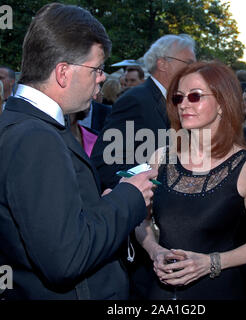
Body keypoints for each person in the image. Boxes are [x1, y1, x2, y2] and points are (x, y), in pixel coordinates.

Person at [0, 3, 157, 300]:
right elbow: (65, 258)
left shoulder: (24, 123)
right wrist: (130, 196)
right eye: (96, 68)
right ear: (63, 73)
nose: (101, 77)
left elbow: (50, 221)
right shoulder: (35, 137)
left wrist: (99, 207)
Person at [135, 61, 246, 300]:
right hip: (161, 291)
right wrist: (154, 250)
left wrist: (211, 262)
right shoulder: (161, 158)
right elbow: (141, 222)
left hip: (221, 290)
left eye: (195, 96)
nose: (184, 105)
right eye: (179, 98)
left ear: (222, 103)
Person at [91, 34, 196, 190]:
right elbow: (105, 163)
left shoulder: (177, 102)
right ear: (163, 64)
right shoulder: (135, 101)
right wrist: (144, 189)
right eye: (188, 63)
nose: (194, 70)